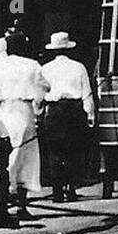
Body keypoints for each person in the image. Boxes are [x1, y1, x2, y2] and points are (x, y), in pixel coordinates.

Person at [0, 29, 49, 219]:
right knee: (25, 157)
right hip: (23, 111)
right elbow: (45, 86)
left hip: (2, 111)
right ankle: (21, 204)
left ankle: (0, 198)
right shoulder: (31, 65)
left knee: (0, 155)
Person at [41, 32, 95, 202]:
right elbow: (87, 93)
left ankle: (57, 191)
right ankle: (71, 189)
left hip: (54, 110)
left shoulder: (46, 69)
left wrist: (38, 113)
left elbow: (40, 94)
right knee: (73, 150)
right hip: (74, 110)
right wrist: (90, 113)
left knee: (55, 151)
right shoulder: (79, 67)